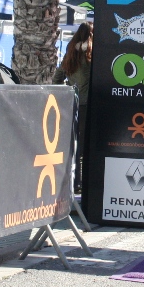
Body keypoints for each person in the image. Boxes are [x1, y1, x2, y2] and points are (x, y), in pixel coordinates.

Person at [53, 22, 92, 193]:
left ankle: (74, 183)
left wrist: (68, 91)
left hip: (72, 104)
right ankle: (82, 183)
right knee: (85, 146)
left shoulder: (70, 55)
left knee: (74, 145)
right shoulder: (90, 57)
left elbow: (57, 78)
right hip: (87, 106)